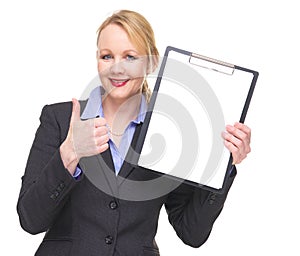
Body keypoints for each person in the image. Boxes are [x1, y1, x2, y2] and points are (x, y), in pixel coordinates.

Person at [17, 10, 251, 256]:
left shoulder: (169, 133)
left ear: (151, 63)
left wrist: (223, 162)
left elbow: (191, 232)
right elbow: (30, 220)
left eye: (130, 57)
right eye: (107, 56)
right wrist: (69, 153)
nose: (117, 68)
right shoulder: (60, 119)